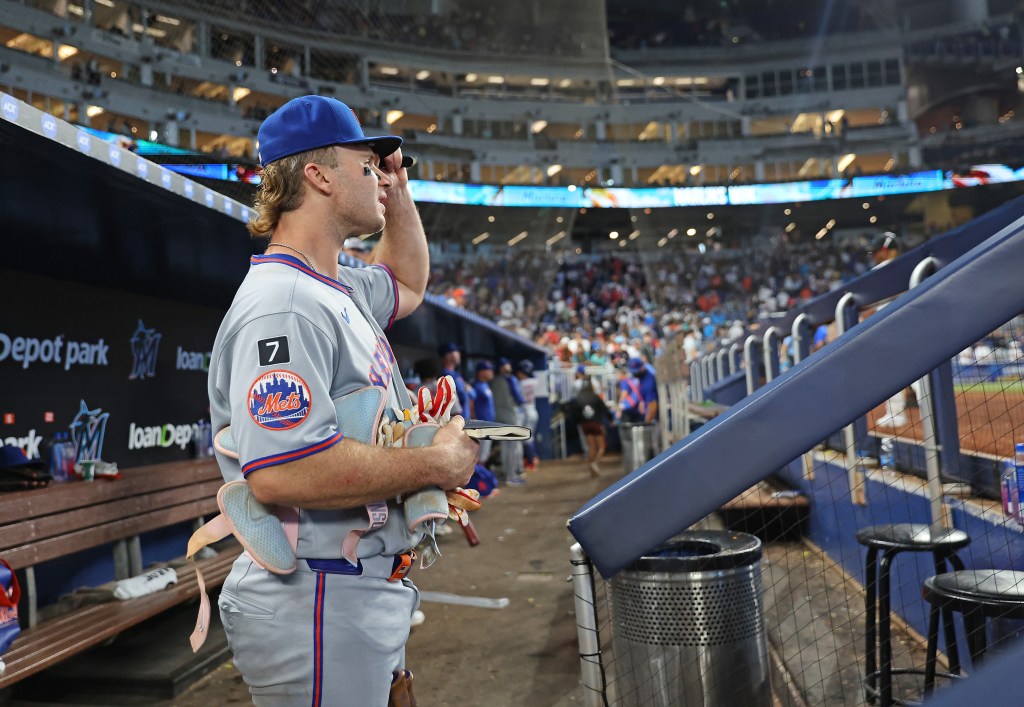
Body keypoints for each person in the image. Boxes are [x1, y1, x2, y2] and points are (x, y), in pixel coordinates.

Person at [207, 95, 478, 705]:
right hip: (315, 594)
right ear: (319, 174)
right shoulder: (283, 303)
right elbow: (285, 470)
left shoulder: (332, 283)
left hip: (349, 584)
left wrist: (398, 191)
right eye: (366, 164)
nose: (379, 175)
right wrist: (437, 464)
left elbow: (408, 281)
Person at [491, 357, 525, 485]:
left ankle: (509, 475)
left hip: (501, 418)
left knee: (506, 447)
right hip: (509, 417)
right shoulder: (506, 380)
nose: (508, 368)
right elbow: (515, 400)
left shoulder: (498, 380)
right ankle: (511, 477)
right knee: (511, 448)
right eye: (506, 366)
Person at [570, 379, 610, 477]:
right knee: (601, 447)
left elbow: (574, 414)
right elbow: (604, 410)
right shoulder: (595, 397)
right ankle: (595, 463)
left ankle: (591, 469)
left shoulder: (578, 399)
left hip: (584, 425)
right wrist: (611, 420)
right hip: (596, 424)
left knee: (591, 447)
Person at [515, 360, 540, 470]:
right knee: (530, 437)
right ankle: (532, 459)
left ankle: (531, 461)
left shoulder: (520, 383)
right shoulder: (535, 381)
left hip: (525, 413)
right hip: (533, 410)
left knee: (526, 439)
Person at [471, 360, 496, 466]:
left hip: (489, 423)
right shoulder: (475, 386)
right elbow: (471, 404)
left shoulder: (485, 384)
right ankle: (479, 480)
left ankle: (483, 479)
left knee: (484, 455)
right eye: (488, 370)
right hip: (481, 425)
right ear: (481, 372)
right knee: (479, 456)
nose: (491, 372)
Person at [438, 342, 471, 416]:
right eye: (456, 351)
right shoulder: (446, 375)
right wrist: (466, 390)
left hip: (464, 418)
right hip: (457, 419)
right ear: (448, 356)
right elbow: (460, 397)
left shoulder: (455, 374)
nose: (459, 354)